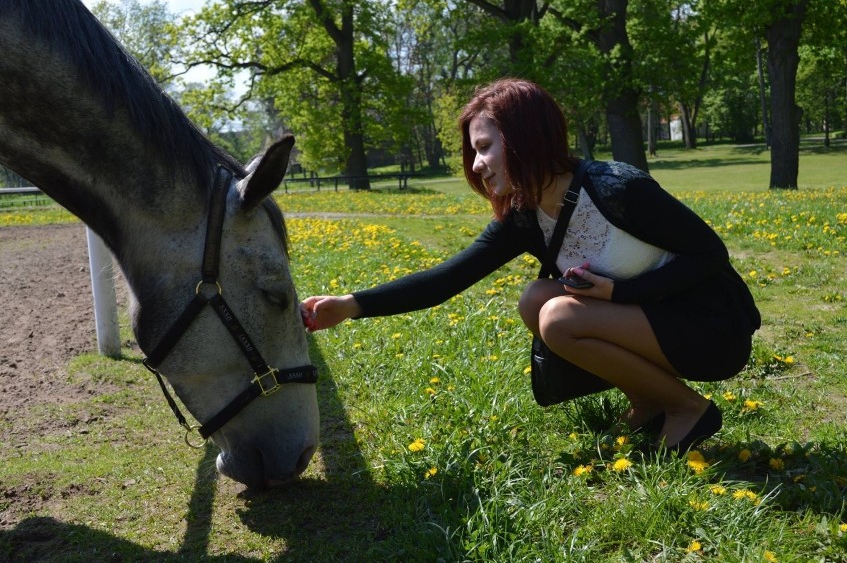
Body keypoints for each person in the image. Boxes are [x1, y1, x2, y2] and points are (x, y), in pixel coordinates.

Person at [300, 78, 761, 454]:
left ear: (524, 138)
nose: (477, 164)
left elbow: (710, 255)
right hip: (656, 327)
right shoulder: (526, 214)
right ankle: (648, 399)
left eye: (484, 147)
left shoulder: (617, 188)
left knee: (558, 316)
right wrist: (351, 305)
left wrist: (619, 294)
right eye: (473, 151)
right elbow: (447, 279)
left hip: (712, 328)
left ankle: (687, 409)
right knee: (535, 299)